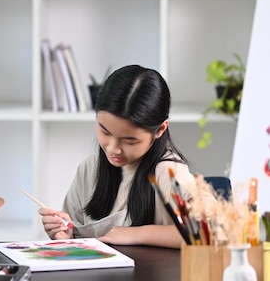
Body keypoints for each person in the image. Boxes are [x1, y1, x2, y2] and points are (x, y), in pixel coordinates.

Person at [39, 65, 196, 249]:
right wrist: (66, 236)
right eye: (104, 131)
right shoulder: (89, 169)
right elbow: (76, 243)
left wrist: (134, 234)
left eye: (129, 140)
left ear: (160, 129)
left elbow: (212, 232)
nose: (113, 149)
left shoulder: (169, 172)